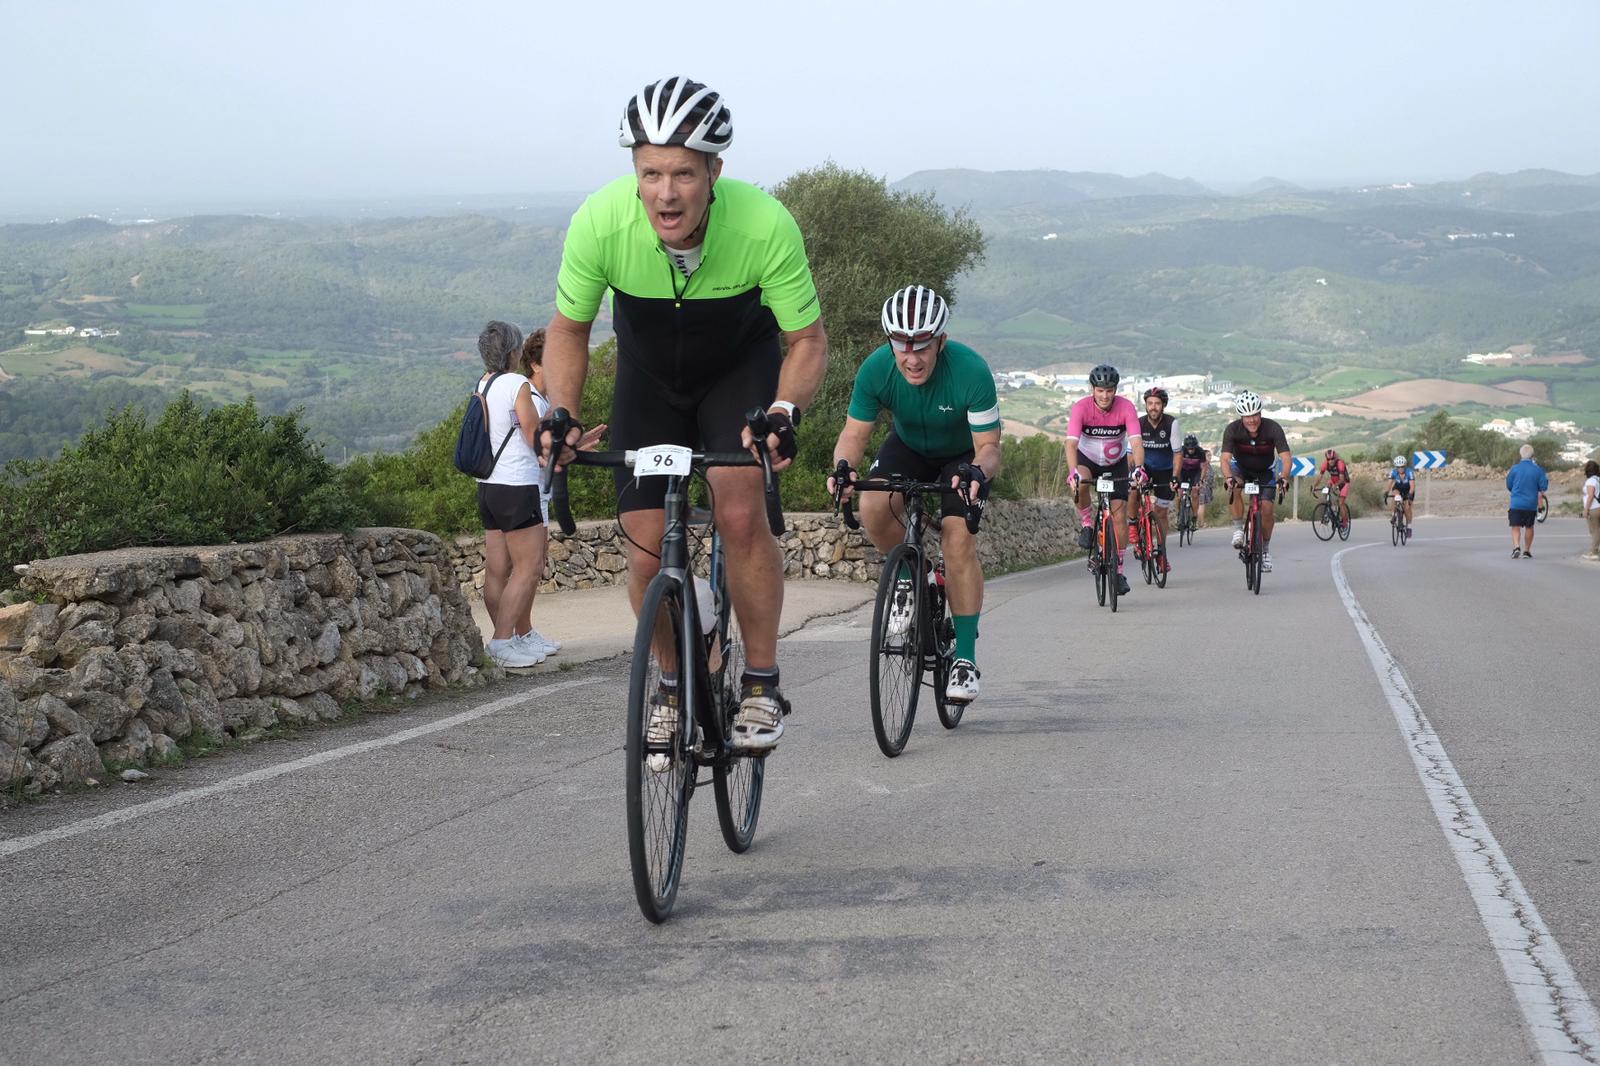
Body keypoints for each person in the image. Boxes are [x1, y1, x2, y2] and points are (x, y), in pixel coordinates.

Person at [540, 76, 828, 752]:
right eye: (651, 173)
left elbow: (808, 340)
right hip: (648, 382)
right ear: (634, 172)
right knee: (643, 554)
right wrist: (562, 411)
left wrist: (784, 409)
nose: (666, 193)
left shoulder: (764, 224)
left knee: (737, 510)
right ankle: (672, 682)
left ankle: (759, 681)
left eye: (683, 174)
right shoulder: (600, 221)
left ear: (714, 172)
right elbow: (567, 330)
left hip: (737, 373)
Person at [827, 286, 1001, 704]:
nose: (912, 358)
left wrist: (978, 471)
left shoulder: (971, 371)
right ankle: (911, 579)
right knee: (872, 503)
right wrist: (844, 468)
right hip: (908, 448)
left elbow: (990, 448)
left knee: (958, 539)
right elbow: (853, 434)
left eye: (922, 346)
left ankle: (965, 658)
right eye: (902, 347)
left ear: (940, 341)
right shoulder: (876, 369)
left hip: (963, 457)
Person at [515, 328, 606, 658]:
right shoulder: (534, 400)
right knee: (531, 565)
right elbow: (534, 449)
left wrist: (576, 446)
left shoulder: (542, 401)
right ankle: (518, 635)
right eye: (550, 363)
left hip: (538, 491)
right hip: (531, 490)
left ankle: (524, 632)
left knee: (535, 565)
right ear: (536, 365)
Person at [473, 321, 548, 669]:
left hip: (489, 486)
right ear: (514, 351)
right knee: (528, 567)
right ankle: (503, 641)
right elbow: (533, 435)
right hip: (517, 485)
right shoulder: (518, 384)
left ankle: (508, 638)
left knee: (497, 568)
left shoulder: (484, 383)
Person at [1064, 364, 1146, 597]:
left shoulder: (1126, 407)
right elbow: (1070, 444)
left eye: (1109, 390)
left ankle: (1118, 571)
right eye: (1100, 390)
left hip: (1115, 463)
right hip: (1087, 460)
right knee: (1080, 483)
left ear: (1115, 390)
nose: (1105, 395)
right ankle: (1088, 524)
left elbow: (1137, 442)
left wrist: (1139, 468)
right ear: (1093, 389)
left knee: (1119, 516)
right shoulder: (1081, 408)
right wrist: (1073, 471)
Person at [1218, 391, 1292, 572]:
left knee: (1267, 509)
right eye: (1247, 416)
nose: (1251, 420)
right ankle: (1238, 528)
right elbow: (1225, 459)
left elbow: (1286, 457)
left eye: (1255, 414)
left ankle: (1265, 550)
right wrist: (1229, 478)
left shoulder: (1272, 428)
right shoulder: (1233, 429)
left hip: (1265, 471)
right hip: (1240, 468)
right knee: (1235, 487)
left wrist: (1283, 477)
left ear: (1260, 412)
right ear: (1241, 416)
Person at [1129, 386, 1178, 571]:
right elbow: (1130, 453)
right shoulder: (1138, 423)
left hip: (1165, 471)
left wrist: (1175, 476)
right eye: (1150, 403)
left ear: (1163, 405)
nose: (1153, 407)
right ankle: (1133, 523)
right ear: (1146, 405)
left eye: (1157, 403)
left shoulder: (1171, 424)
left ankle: (1161, 553)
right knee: (1132, 489)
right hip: (1144, 468)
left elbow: (1178, 454)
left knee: (1161, 513)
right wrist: (1134, 470)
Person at [1506, 443, 1549, 558]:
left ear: (1520, 454)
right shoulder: (1538, 470)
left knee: (1515, 526)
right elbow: (1543, 487)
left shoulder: (1514, 469)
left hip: (1516, 502)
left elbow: (1509, 485)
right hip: (1530, 504)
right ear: (1532, 455)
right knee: (1529, 527)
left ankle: (1516, 547)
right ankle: (1527, 551)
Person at [1176, 434, 1211, 530]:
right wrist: (1175, 477)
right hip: (1182, 472)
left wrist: (1201, 480)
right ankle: (1179, 514)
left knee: (1195, 493)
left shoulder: (1200, 451)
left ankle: (1194, 517)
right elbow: (1176, 465)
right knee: (1179, 494)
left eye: (1193, 448)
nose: (1191, 450)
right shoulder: (1181, 450)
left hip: (1195, 473)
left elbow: (1204, 467)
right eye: (1189, 448)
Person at [1312, 448, 1352, 532]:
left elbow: (1341, 479)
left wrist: (1335, 485)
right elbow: (1320, 477)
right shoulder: (1325, 464)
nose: (1331, 461)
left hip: (1344, 483)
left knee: (1341, 503)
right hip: (1333, 480)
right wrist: (1314, 486)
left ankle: (1345, 522)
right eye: (1329, 459)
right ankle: (1328, 511)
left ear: (1335, 458)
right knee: (1326, 490)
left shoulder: (1340, 463)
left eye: (1332, 459)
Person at [1386, 454, 1415, 536]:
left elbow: (1412, 486)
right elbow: (1389, 483)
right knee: (1395, 496)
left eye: (1402, 467)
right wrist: (1386, 492)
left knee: (1407, 508)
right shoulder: (1393, 472)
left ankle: (1409, 527)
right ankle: (1393, 515)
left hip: (1408, 490)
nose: (1400, 468)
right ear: (1396, 467)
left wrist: (1410, 495)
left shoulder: (1409, 472)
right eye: (1398, 467)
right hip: (1398, 488)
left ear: (1405, 466)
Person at [1582, 459, 1600, 560]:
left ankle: (1594, 552)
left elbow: (1590, 496)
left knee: (1594, 530)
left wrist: (1586, 509)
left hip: (1594, 508)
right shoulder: (1598, 479)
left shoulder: (1591, 481)